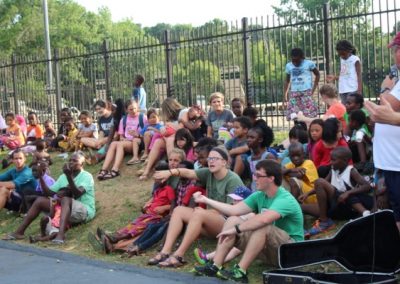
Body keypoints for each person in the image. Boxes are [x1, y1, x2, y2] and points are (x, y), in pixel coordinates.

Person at [192, 160, 303, 282]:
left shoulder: (285, 198)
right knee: (233, 219)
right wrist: (206, 200)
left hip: (292, 254)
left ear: (271, 178)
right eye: (254, 174)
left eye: (258, 175)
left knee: (263, 225)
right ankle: (214, 266)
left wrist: (236, 230)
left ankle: (240, 272)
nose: (254, 178)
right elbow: (234, 210)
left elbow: (264, 219)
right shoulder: (259, 195)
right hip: (271, 252)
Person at [147, 146, 244, 268]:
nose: (211, 161)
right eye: (209, 158)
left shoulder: (233, 179)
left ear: (224, 162)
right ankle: (165, 252)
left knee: (199, 213)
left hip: (227, 226)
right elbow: (187, 172)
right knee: (178, 210)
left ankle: (179, 255)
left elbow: (234, 211)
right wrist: (170, 172)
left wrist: (210, 211)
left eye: (215, 158)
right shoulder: (208, 173)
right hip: (208, 221)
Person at [9, 151, 95, 243]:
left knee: (65, 200)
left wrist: (69, 177)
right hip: (64, 210)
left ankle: (60, 235)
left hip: (83, 211)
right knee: (40, 200)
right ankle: (19, 232)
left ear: (82, 163)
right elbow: (49, 193)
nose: (71, 162)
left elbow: (78, 194)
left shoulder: (87, 176)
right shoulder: (63, 176)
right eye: (70, 160)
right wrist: (41, 177)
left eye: (75, 160)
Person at [364, 33, 400, 232]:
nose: (394, 55)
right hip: (393, 162)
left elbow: (381, 111)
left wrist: (385, 89)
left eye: (396, 50)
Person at [99, 163, 175, 254]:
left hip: (156, 217)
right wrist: (146, 206)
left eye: (157, 176)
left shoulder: (169, 189)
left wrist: (164, 208)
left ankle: (114, 239)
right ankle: (113, 238)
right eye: (154, 175)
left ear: (165, 177)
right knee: (132, 225)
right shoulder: (158, 190)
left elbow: (174, 204)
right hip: (148, 214)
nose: (154, 177)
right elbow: (155, 200)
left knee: (137, 228)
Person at [302, 147, 372, 238]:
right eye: (330, 159)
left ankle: (324, 221)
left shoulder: (351, 171)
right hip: (334, 207)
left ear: (345, 160)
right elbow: (321, 185)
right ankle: (304, 228)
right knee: (299, 206)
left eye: (333, 160)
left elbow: (367, 186)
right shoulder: (333, 170)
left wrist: (348, 193)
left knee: (319, 181)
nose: (330, 162)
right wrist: (307, 194)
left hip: (347, 206)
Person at [193, 186, 254, 266]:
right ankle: (210, 260)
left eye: (238, 200)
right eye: (234, 199)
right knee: (230, 240)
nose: (234, 201)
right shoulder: (235, 209)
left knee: (236, 249)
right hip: (238, 236)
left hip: (249, 239)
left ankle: (211, 260)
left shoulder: (251, 214)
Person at [98, 100, 146, 179]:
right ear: (126, 110)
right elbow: (121, 135)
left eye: (135, 108)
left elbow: (147, 133)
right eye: (130, 109)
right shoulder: (123, 119)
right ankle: (104, 169)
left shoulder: (143, 117)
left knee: (119, 144)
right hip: (126, 142)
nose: (133, 111)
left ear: (138, 108)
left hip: (137, 143)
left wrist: (138, 135)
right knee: (113, 144)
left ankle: (115, 169)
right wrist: (123, 138)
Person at [283, 48, 320, 120]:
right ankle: (297, 128)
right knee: (294, 114)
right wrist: (285, 94)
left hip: (306, 92)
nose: (295, 63)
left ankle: (307, 128)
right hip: (294, 93)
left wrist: (314, 87)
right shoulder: (289, 66)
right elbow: (287, 81)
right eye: (293, 60)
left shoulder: (309, 63)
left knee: (308, 113)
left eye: (297, 60)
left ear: (302, 58)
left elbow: (317, 74)